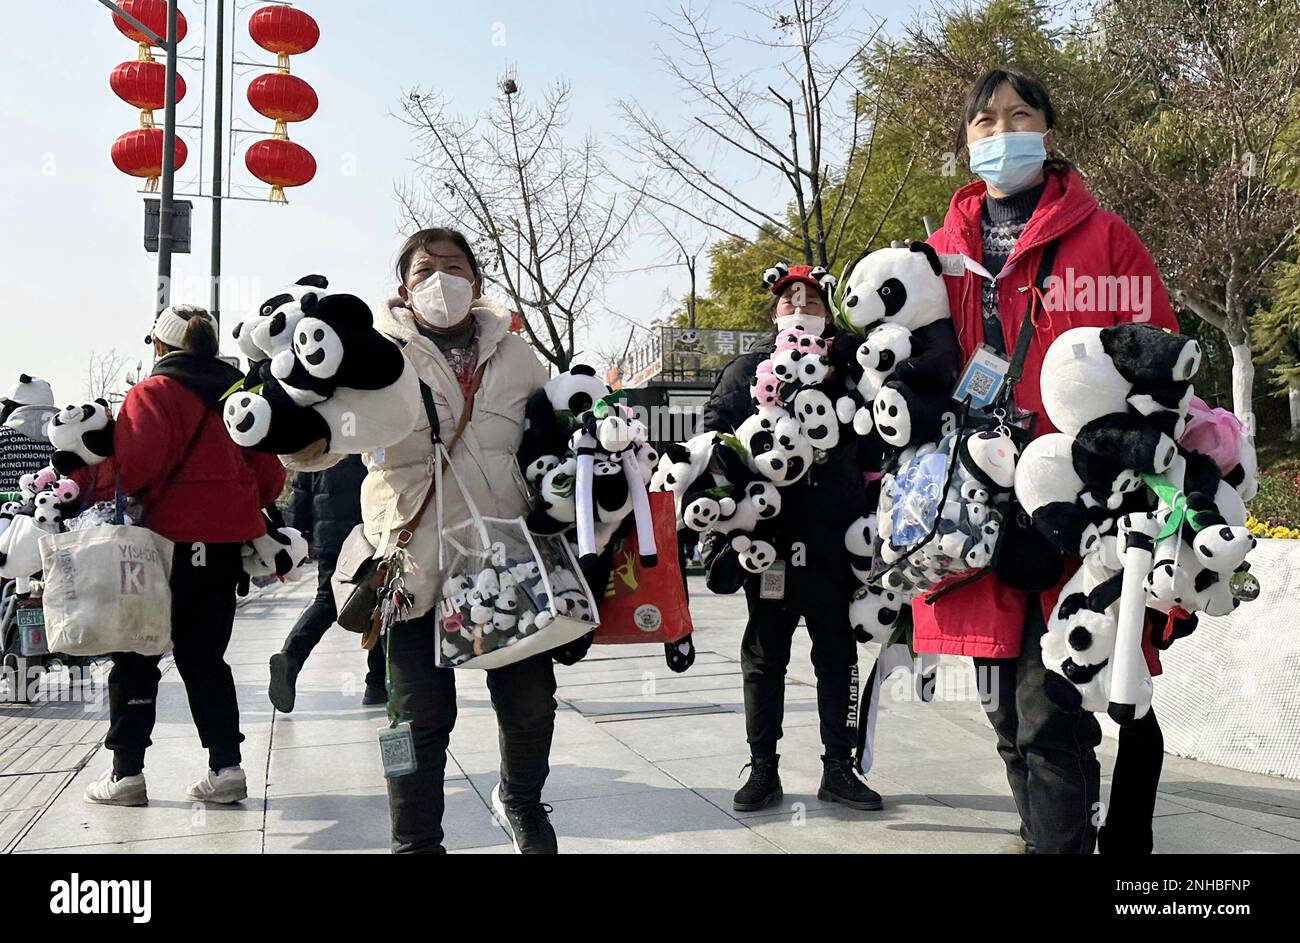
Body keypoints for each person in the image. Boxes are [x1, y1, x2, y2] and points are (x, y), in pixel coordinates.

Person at [917, 67, 1179, 853]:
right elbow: (903, 370)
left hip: (1078, 506)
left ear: (1049, 133)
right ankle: (1042, 839)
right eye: (984, 122)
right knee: (1006, 711)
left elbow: (1160, 362)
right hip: (974, 511)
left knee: (1053, 711)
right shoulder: (937, 256)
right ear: (967, 142)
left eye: (1019, 115)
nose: (1002, 133)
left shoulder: (1107, 241)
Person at [297, 228, 552, 853]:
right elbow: (318, 442)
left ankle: (520, 800)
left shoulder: (518, 356)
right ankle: (414, 841)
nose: (441, 277)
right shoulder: (376, 354)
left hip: (500, 560)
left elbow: (545, 440)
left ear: (478, 281)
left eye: (454, 265)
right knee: (416, 719)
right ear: (404, 287)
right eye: (425, 268)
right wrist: (293, 425)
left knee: (528, 703)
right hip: (408, 564)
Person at [78, 305, 286, 806]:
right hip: (220, 549)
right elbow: (271, 478)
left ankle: (126, 774)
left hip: (156, 548)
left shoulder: (153, 392)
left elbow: (135, 466)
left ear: (159, 346)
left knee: (137, 656)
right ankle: (226, 767)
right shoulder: (242, 394)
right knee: (205, 660)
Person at [701, 264, 883, 814]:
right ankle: (763, 768)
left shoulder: (852, 363)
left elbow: (881, 426)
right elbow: (714, 435)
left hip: (834, 538)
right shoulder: (748, 368)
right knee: (764, 657)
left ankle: (838, 768)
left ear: (829, 308)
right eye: (787, 300)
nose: (798, 306)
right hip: (769, 540)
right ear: (772, 311)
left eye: (809, 298)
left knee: (837, 655)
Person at [268, 455, 386, 712]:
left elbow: (300, 491)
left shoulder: (320, 441)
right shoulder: (371, 435)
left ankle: (290, 657)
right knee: (380, 602)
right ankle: (376, 684)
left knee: (326, 601)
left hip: (330, 537)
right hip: (370, 533)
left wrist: (299, 535)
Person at [0, 374, 56, 492]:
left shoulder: (2, 437)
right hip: (50, 508)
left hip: (7, 508)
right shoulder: (67, 439)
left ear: (11, 406)